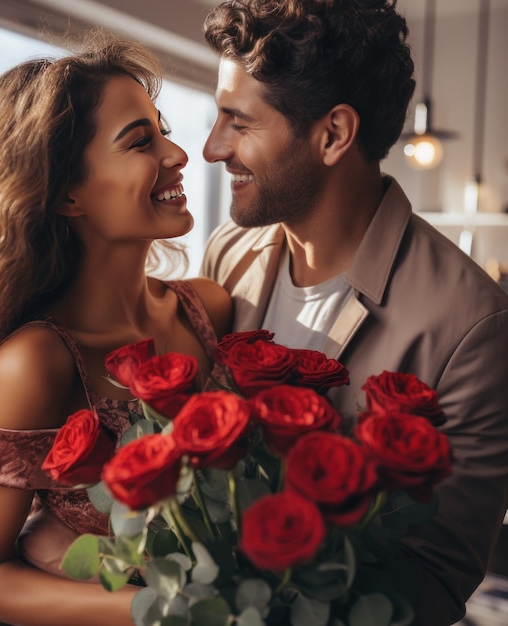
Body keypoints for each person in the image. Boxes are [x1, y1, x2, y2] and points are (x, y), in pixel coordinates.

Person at [0, 31, 232, 626]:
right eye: (140, 140)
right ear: (69, 194)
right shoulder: (35, 363)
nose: (178, 154)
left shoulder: (210, 309)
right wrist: (169, 610)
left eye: (163, 129)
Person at [199, 1, 508, 624]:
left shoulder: (474, 324)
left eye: (239, 121)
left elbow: (435, 579)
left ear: (334, 134)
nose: (212, 148)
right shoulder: (225, 254)